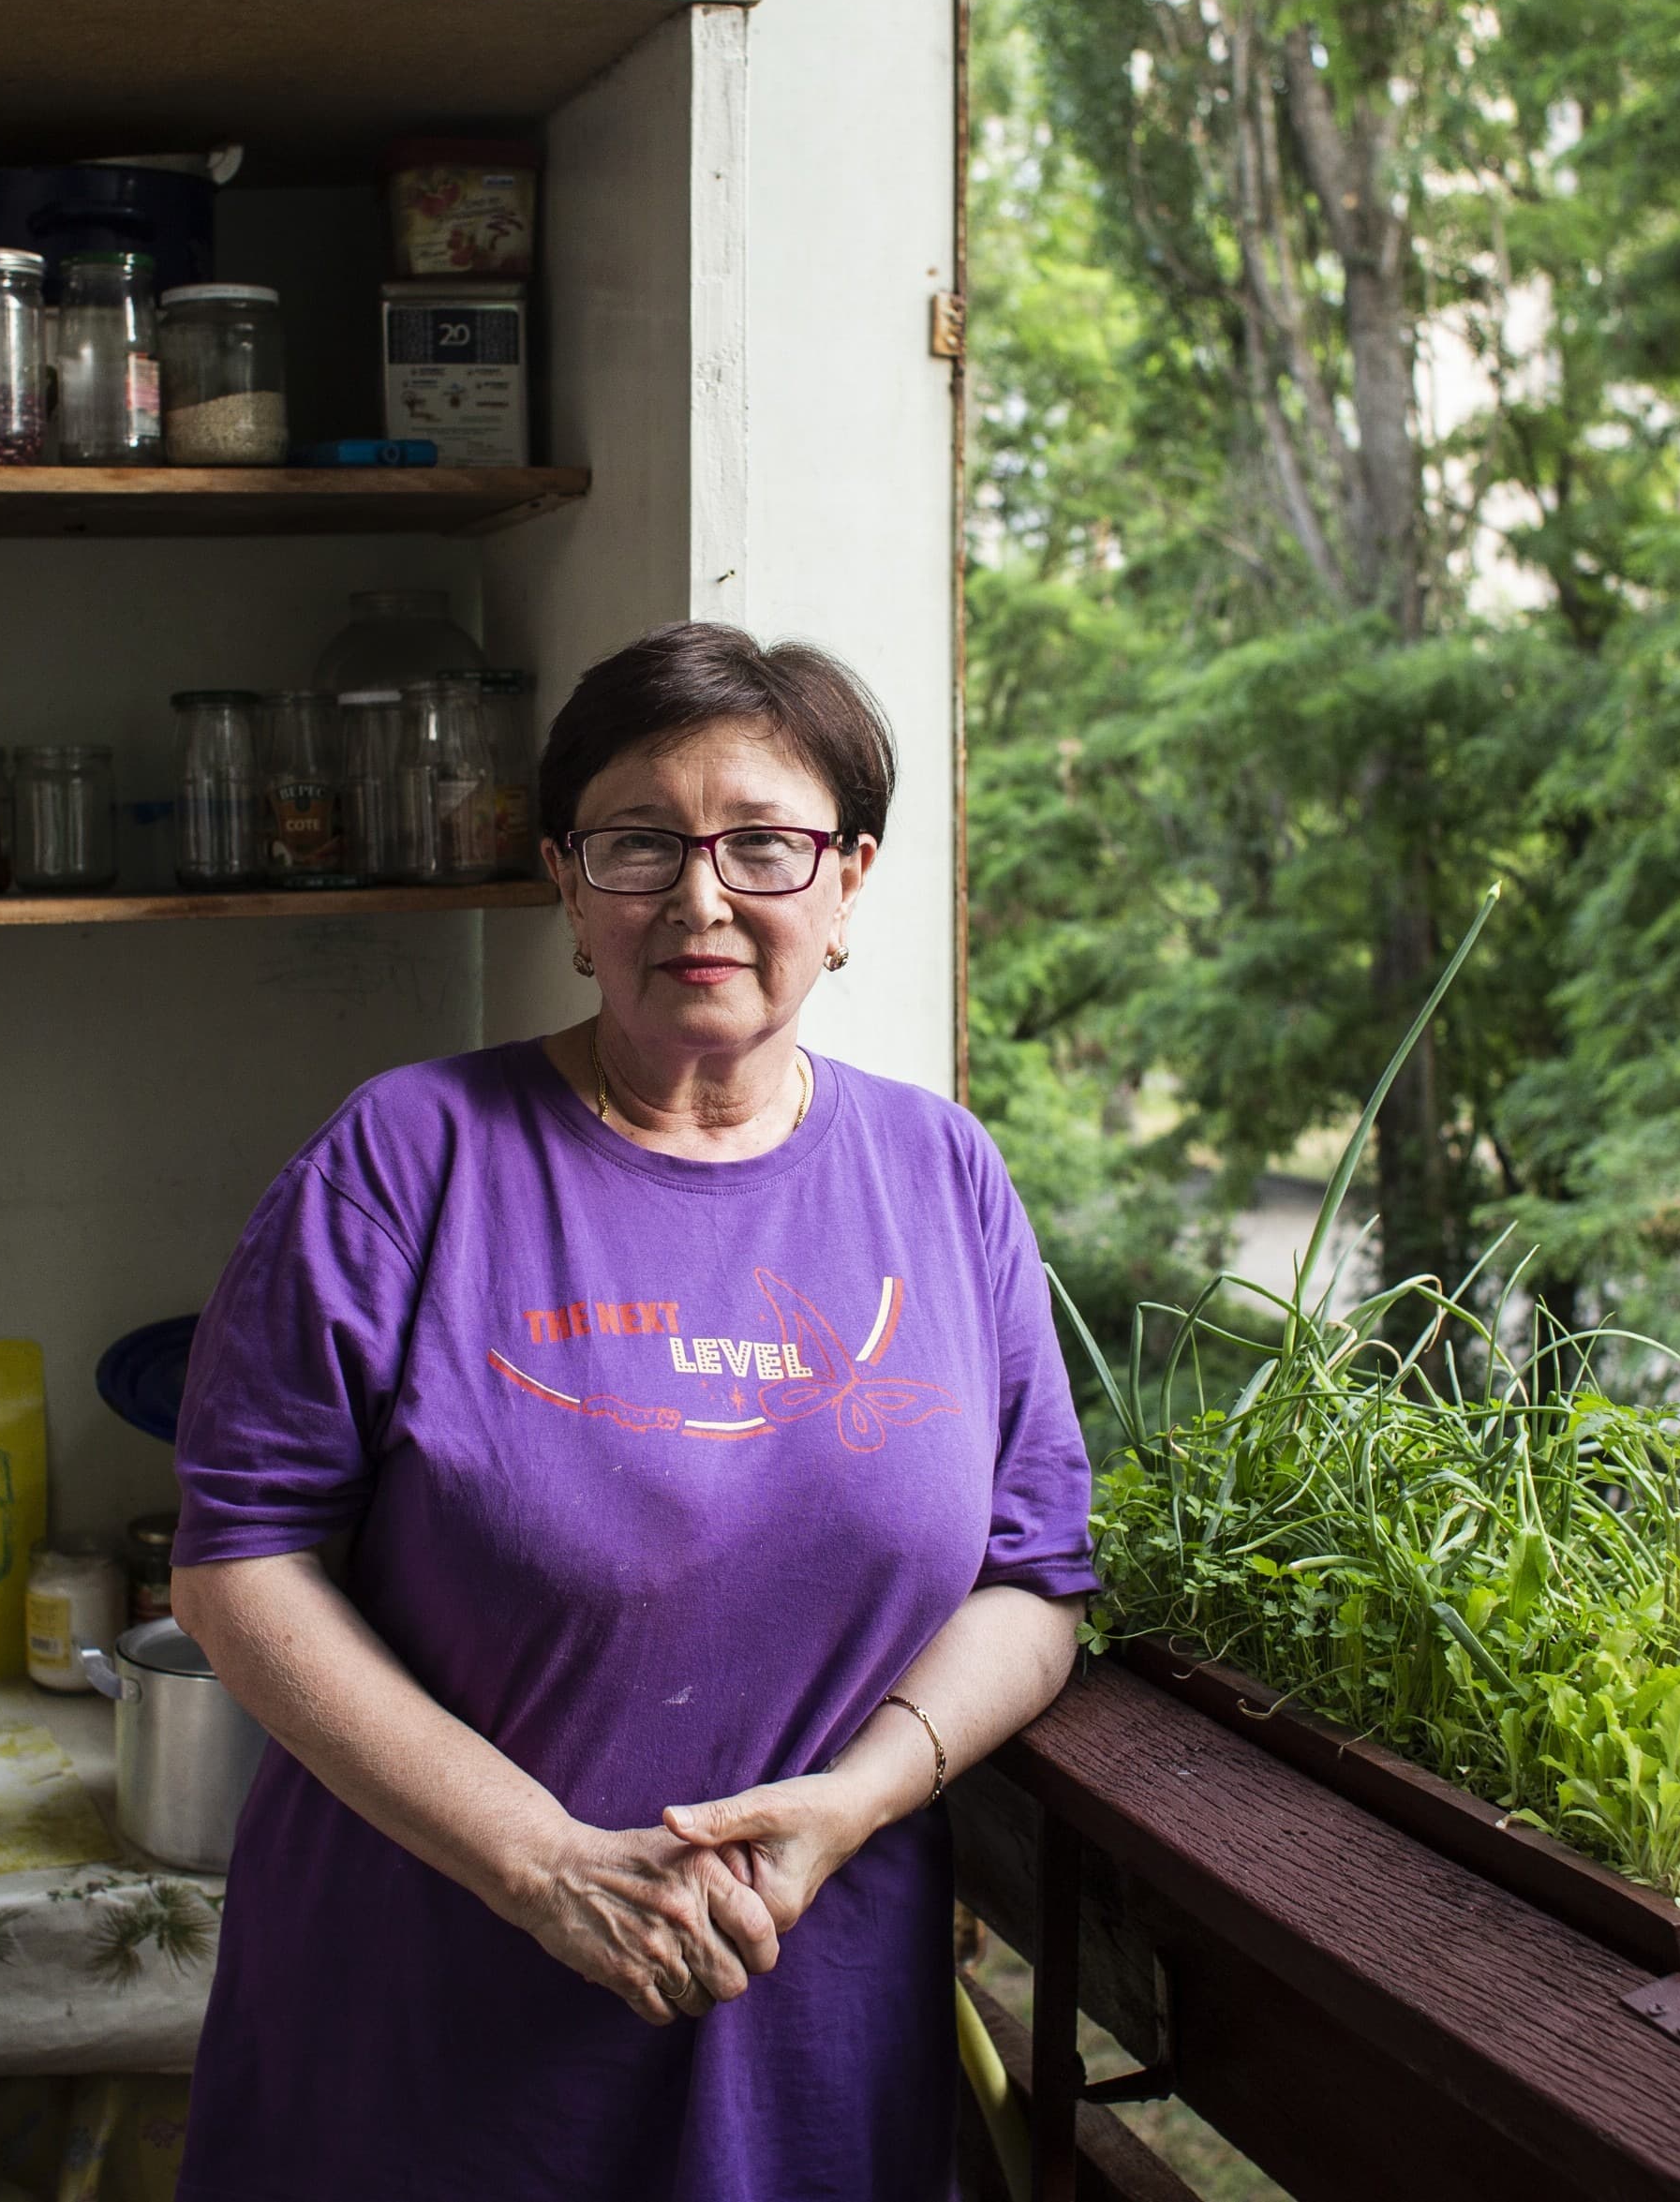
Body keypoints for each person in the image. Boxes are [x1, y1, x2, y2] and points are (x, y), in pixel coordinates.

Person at [169, 622, 1097, 2201]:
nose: (702, 896)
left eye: (765, 844)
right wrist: (545, 1866)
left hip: (808, 2008)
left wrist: (856, 1800)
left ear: (851, 883)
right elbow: (238, 1562)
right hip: (427, 2026)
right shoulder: (405, 1158)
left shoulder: (942, 1174)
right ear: (567, 882)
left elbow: (1034, 1575)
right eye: (641, 842)